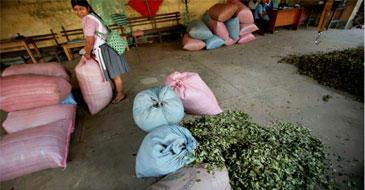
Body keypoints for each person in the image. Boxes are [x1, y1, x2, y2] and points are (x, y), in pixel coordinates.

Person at [71, 0, 128, 104]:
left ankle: (120, 94)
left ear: (87, 8)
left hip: (105, 49)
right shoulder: (93, 16)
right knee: (113, 73)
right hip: (108, 47)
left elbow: (90, 41)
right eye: (75, 9)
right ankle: (116, 91)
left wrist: (87, 53)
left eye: (81, 9)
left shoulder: (88, 20)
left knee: (114, 75)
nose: (79, 12)